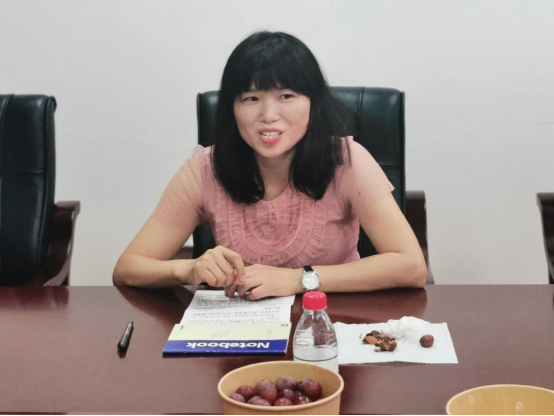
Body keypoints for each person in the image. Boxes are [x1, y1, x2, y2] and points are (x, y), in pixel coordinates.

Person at [113, 31, 427, 299]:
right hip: (240, 333)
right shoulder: (204, 169)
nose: (268, 115)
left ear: (313, 103)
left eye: (286, 96)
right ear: (232, 107)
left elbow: (411, 266)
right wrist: (188, 269)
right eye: (251, 98)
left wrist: (299, 280)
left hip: (331, 321)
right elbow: (128, 267)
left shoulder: (345, 159)